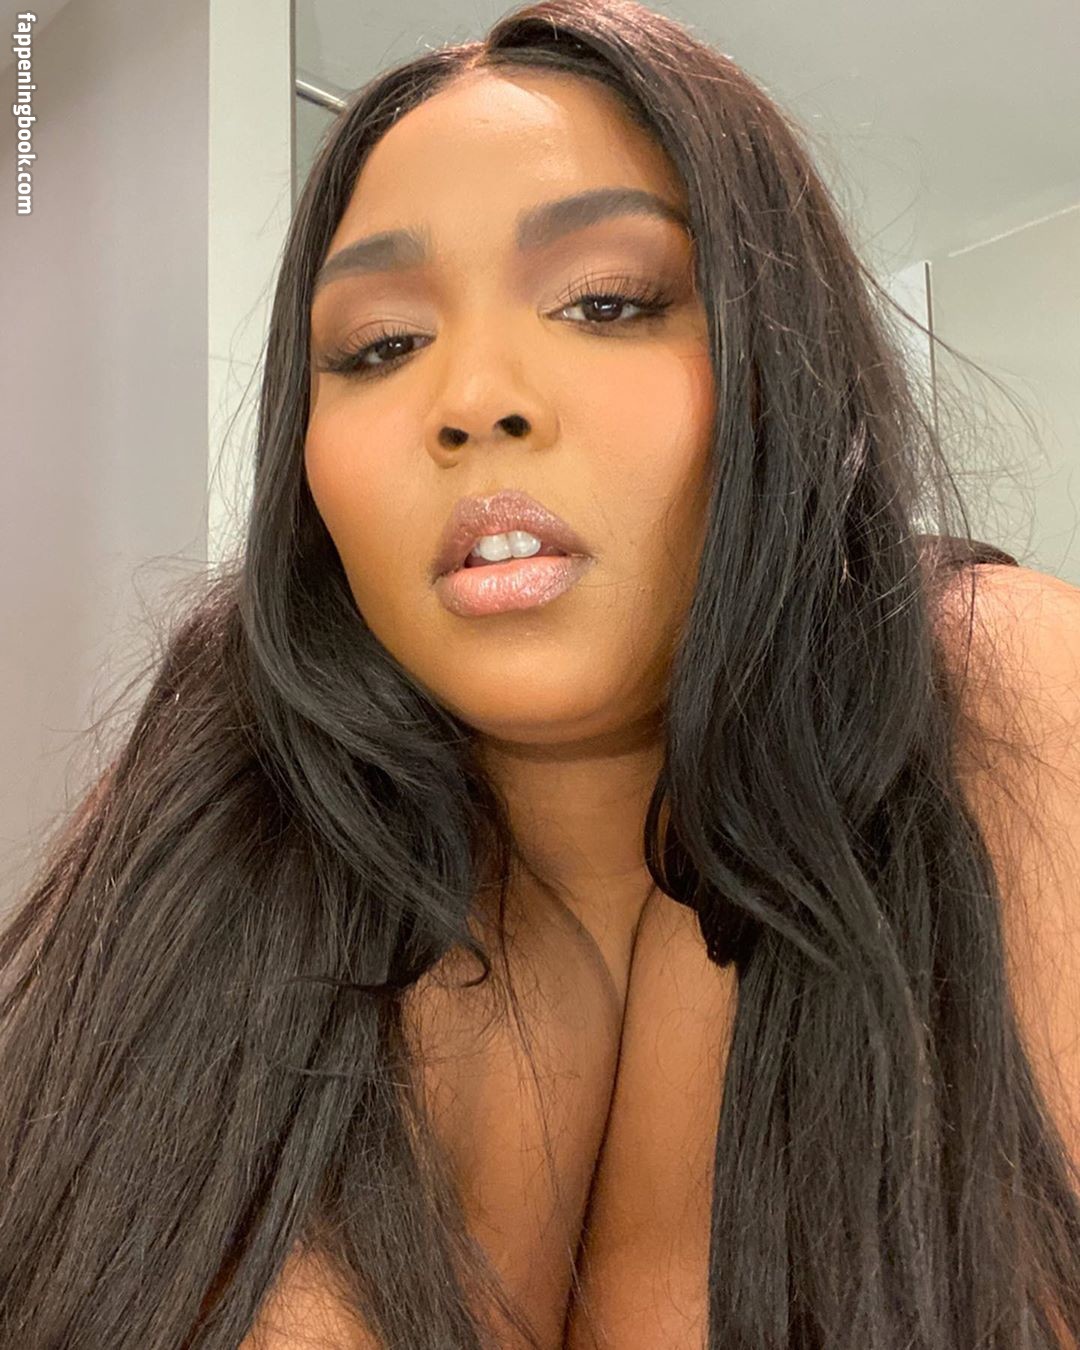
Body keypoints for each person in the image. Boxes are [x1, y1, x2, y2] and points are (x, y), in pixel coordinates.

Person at [3, 1, 1080, 1346]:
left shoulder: (987, 687)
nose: (475, 397)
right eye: (381, 346)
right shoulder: (216, 810)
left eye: (607, 301)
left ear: (780, 372)